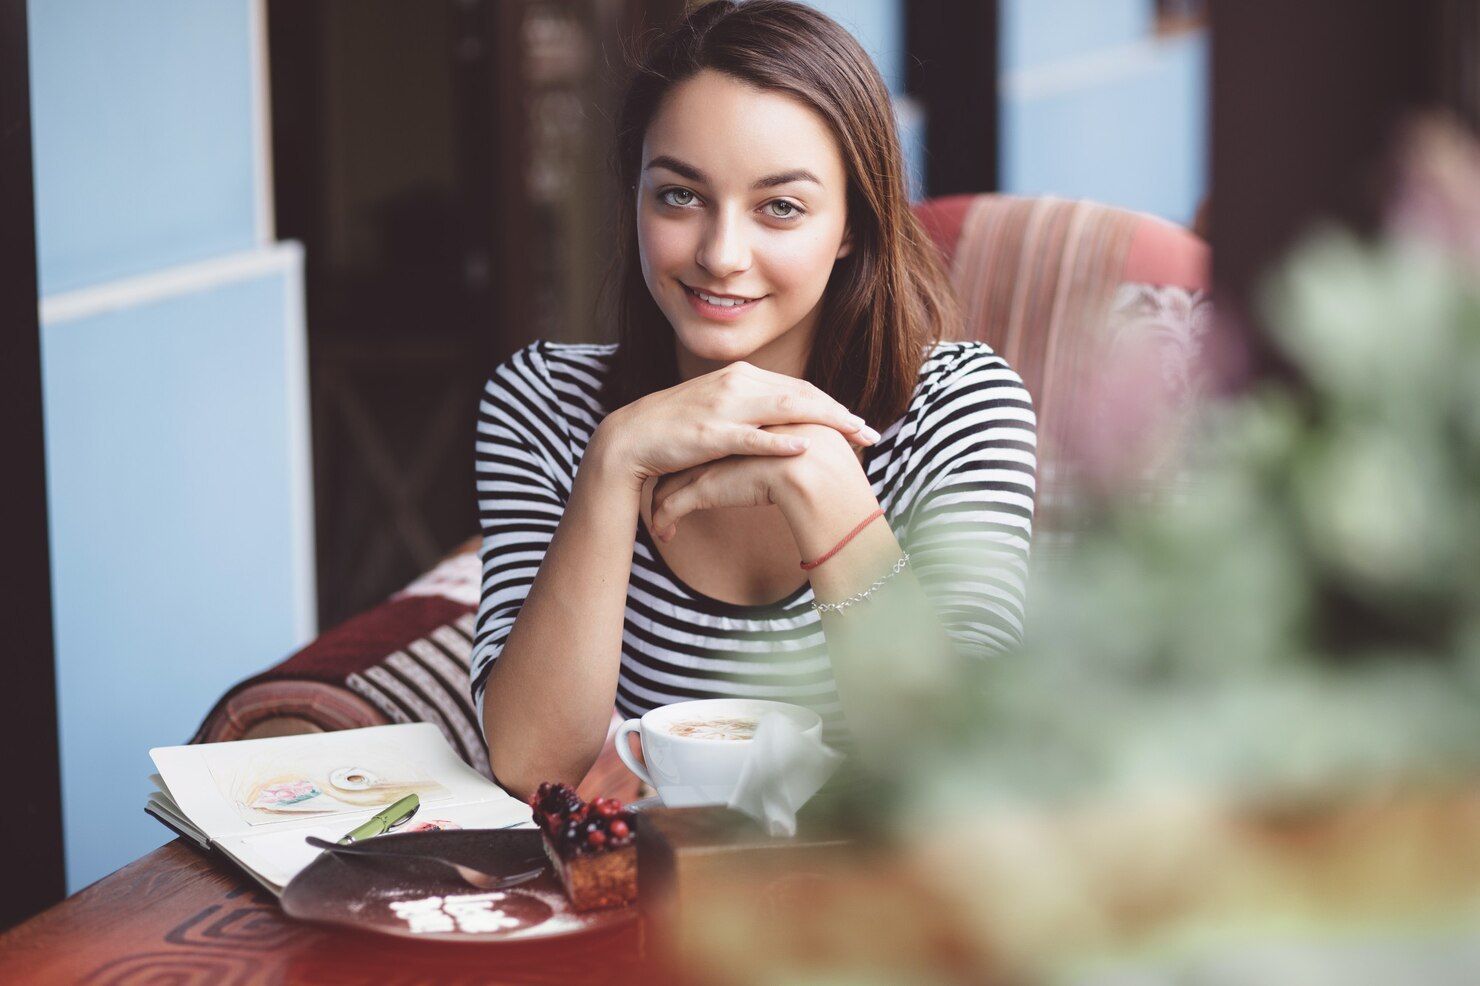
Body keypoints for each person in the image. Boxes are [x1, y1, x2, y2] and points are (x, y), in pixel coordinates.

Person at [471, 0, 1036, 798]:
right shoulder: (545, 402)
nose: (720, 254)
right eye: (679, 196)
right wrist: (615, 460)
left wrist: (823, 488)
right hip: (648, 898)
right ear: (634, 195)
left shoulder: (961, 409)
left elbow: (962, 773)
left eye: (781, 207)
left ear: (851, 225)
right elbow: (534, 767)